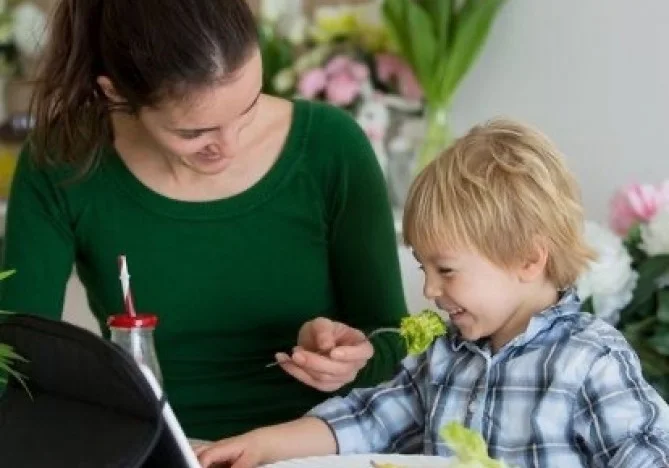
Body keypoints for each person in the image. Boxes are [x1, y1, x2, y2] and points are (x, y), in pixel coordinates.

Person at [0, 0, 408, 440]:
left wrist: (355, 358)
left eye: (247, 107)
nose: (228, 146)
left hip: (321, 446)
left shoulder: (332, 147)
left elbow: (402, 340)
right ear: (115, 92)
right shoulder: (62, 161)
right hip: (156, 449)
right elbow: (14, 365)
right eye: (194, 133)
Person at [196, 119, 669, 468]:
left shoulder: (591, 361)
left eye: (446, 269)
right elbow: (368, 418)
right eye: (424, 268)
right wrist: (261, 445)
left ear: (528, 259)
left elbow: (649, 456)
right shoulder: (445, 355)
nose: (428, 289)